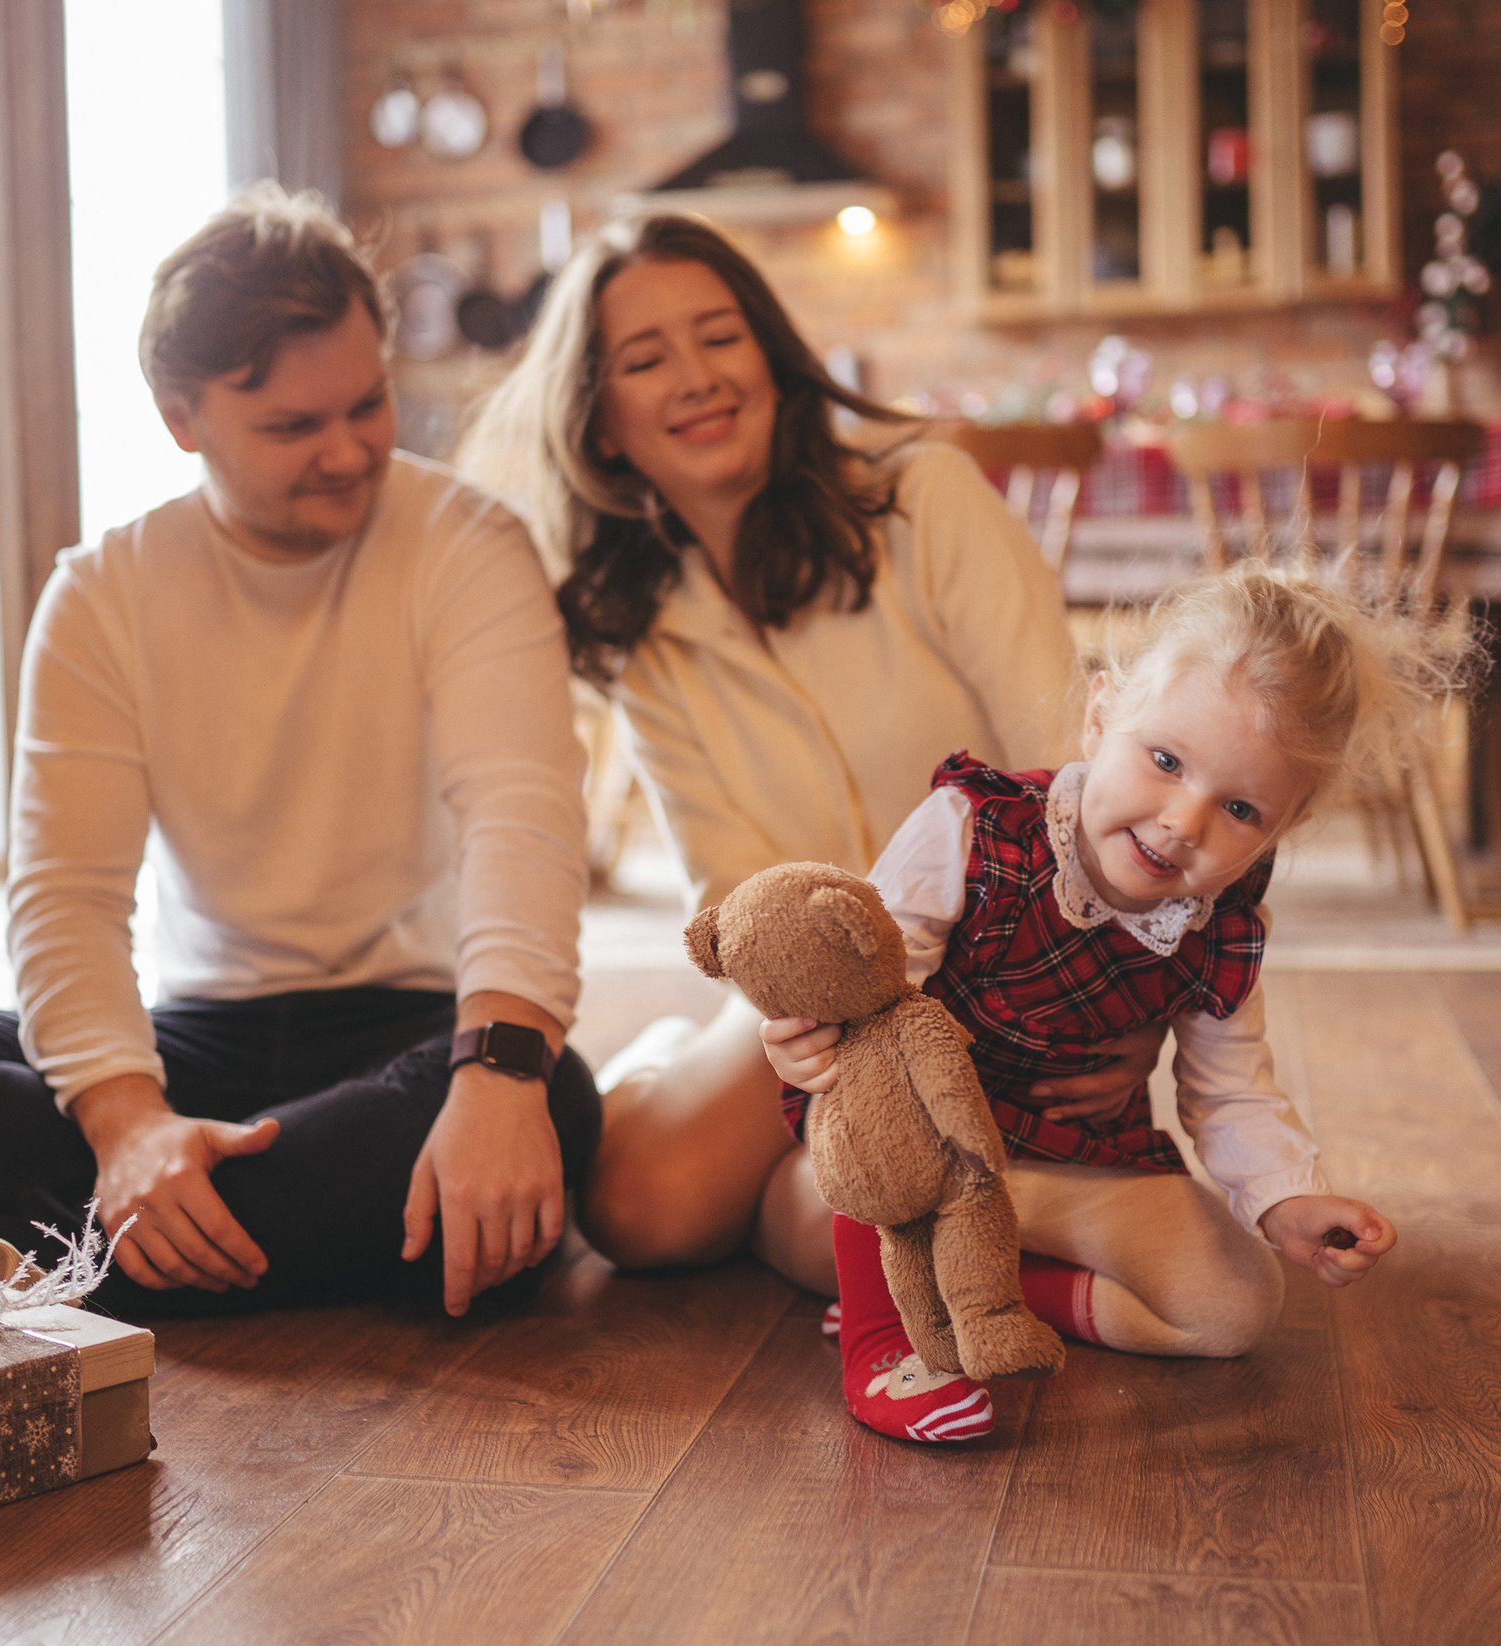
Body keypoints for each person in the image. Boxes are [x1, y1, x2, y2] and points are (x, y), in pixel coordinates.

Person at [0, 186, 598, 1320]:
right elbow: (68, 896)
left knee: (550, 1097)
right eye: (291, 428)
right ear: (181, 416)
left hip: (407, 1026)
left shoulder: (468, 544)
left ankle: (45, 1255)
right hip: (197, 1043)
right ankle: (288, 1233)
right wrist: (129, 1126)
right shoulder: (104, 593)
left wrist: (501, 1072)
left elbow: (521, 812)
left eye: (367, 405)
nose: (350, 450)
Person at [459, 213, 1159, 1292]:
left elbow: (1073, 768)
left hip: (1015, 974)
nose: (695, 377)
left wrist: (1124, 1000)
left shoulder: (925, 499)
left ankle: (887, 1218)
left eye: (719, 336)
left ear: (774, 361)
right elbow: (729, 882)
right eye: (645, 360)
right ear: (600, 424)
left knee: (869, 1181)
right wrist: (798, 1020)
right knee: (639, 1212)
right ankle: (708, 1096)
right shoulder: (640, 620)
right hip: (825, 994)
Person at [763, 566, 1476, 1441]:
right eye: (1166, 761)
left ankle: (980, 1289)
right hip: (930, 1146)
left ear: (1282, 829)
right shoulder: (972, 829)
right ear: (1102, 716)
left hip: (1069, 1165)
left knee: (1235, 1305)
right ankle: (888, 1343)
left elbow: (1231, 1090)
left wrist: (1289, 1202)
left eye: (1241, 808)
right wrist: (811, 1043)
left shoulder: (1221, 928)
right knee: (848, 1150)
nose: (1183, 822)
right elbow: (867, 991)